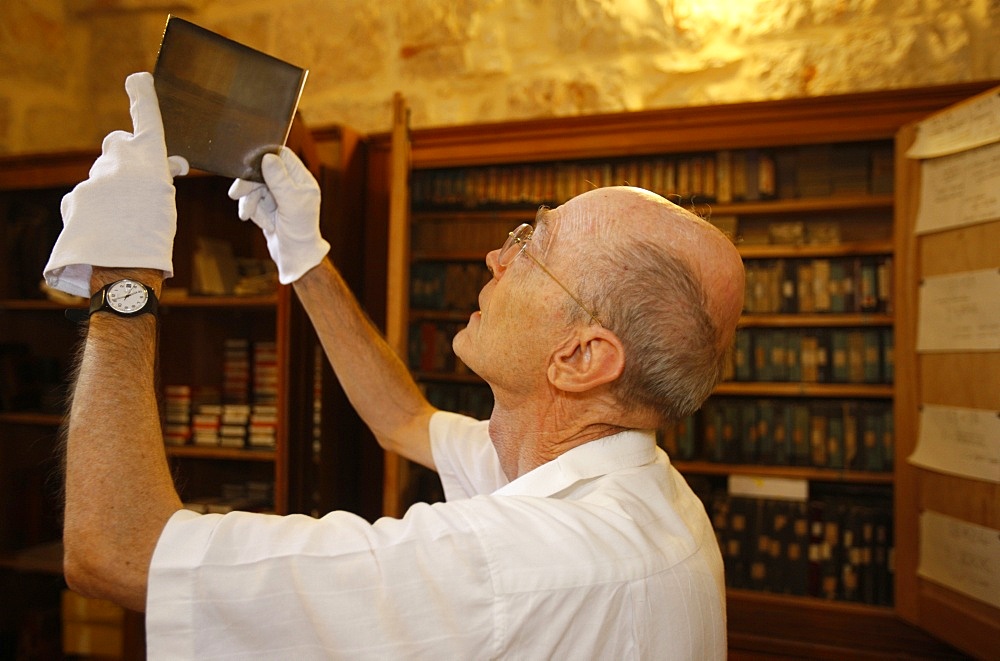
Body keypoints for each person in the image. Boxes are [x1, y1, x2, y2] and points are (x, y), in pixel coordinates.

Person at [46, 72, 744, 659]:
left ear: (581, 356)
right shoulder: (635, 485)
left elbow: (116, 550)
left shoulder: (507, 565)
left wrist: (124, 278)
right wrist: (305, 258)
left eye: (532, 247)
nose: (497, 257)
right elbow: (403, 420)